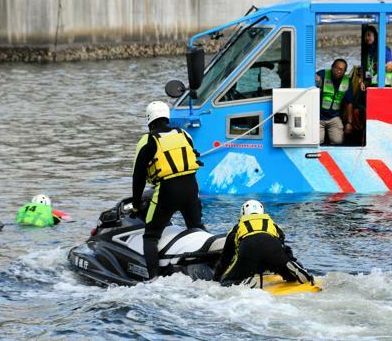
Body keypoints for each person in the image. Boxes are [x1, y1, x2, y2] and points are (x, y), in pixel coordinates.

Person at [132, 101, 203, 279]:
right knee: (196, 229)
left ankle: (154, 278)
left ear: (149, 119)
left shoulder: (148, 140)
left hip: (167, 191)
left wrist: (135, 204)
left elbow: (138, 177)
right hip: (191, 189)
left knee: (150, 236)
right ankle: (208, 266)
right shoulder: (184, 134)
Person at [213, 200, 314, 287]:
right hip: (272, 247)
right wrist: (289, 259)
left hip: (249, 248)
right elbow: (284, 247)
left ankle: (244, 281)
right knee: (284, 267)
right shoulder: (273, 226)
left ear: (243, 213)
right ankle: (292, 269)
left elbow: (226, 258)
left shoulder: (236, 228)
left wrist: (216, 278)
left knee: (227, 282)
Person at [315, 58, 354, 145]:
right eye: (336, 68)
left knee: (338, 141)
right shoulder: (322, 74)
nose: (338, 71)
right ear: (332, 67)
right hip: (318, 117)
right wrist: (315, 78)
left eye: (341, 69)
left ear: (344, 71)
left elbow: (349, 103)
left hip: (334, 117)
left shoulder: (347, 81)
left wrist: (349, 123)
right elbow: (311, 80)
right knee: (317, 141)